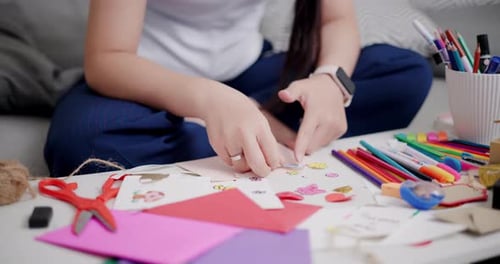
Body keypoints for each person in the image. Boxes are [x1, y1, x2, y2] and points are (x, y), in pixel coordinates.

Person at [45, 0, 433, 177]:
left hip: (249, 73)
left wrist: (331, 81)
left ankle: (247, 131)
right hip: (148, 82)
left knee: (407, 73)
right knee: (83, 142)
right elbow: (107, 59)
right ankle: (257, 136)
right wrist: (208, 101)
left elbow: (336, 20)